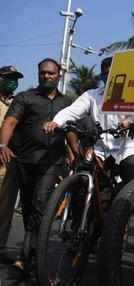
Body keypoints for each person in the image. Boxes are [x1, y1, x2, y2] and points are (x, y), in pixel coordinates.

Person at [0, 58, 72, 271]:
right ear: (39, 74)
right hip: (20, 160)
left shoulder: (67, 103)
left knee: (39, 206)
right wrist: (3, 145)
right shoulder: (25, 98)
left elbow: (69, 130)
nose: (47, 76)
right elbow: (10, 121)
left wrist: (74, 155)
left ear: (59, 75)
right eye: (43, 73)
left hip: (51, 163)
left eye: (51, 73)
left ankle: (29, 254)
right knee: (6, 207)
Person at [44, 57, 134, 187]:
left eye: (111, 73)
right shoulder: (92, 95)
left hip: (126, 149)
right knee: (83, 180)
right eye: (105, 74)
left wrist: (130, 122)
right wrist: (55, 122)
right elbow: (72, 111)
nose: (108, 77)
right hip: (100, 150)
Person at [0, 66, 23, 260]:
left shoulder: (16, 104)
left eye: (16, 79)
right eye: (9, 78)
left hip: (9, 166)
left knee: (4, 210)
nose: (13, 82)